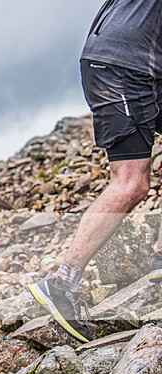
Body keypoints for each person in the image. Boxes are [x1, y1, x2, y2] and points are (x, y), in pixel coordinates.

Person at [29, 0, 162, 343]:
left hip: (128, 61)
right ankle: (61, 285)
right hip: (123, 66)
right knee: (132, 183)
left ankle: (160, 259)